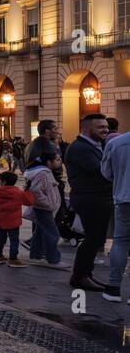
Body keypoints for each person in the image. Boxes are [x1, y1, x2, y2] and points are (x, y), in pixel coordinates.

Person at [64, 112, 114, 293]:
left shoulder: (96, 145)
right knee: (94, 238)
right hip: (90, 198)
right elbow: (100, 171)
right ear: (86, 128)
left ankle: (85, 274)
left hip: (97, 198)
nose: (105, 130)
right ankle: (79, 276)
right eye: (100, 127)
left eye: (106, 127)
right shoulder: (80, 148)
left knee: (97, 238)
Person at [100, 124, 130, 302]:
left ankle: (113, 288)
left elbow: (106, 173)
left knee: (120, 241)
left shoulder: (117, 143)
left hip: (124, 198)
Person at [23, 151, 63, 267]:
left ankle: (36, 256)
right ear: (49, 162)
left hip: (43, 207)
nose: (59, 162)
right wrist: (47, 203)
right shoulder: (43, 173)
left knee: (40, 232)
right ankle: (53, 259)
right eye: (57, 159)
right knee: (52, 233)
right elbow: (36, 190)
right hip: (43, 208)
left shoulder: (44, 172)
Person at [0, 171, 33, 268]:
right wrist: (28, 191)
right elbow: (29, 201)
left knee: (1, 239)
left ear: (3, 182)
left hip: (1, 220)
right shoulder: (18, 192)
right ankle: (13, 259)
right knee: (14, 240)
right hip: (14, 221)